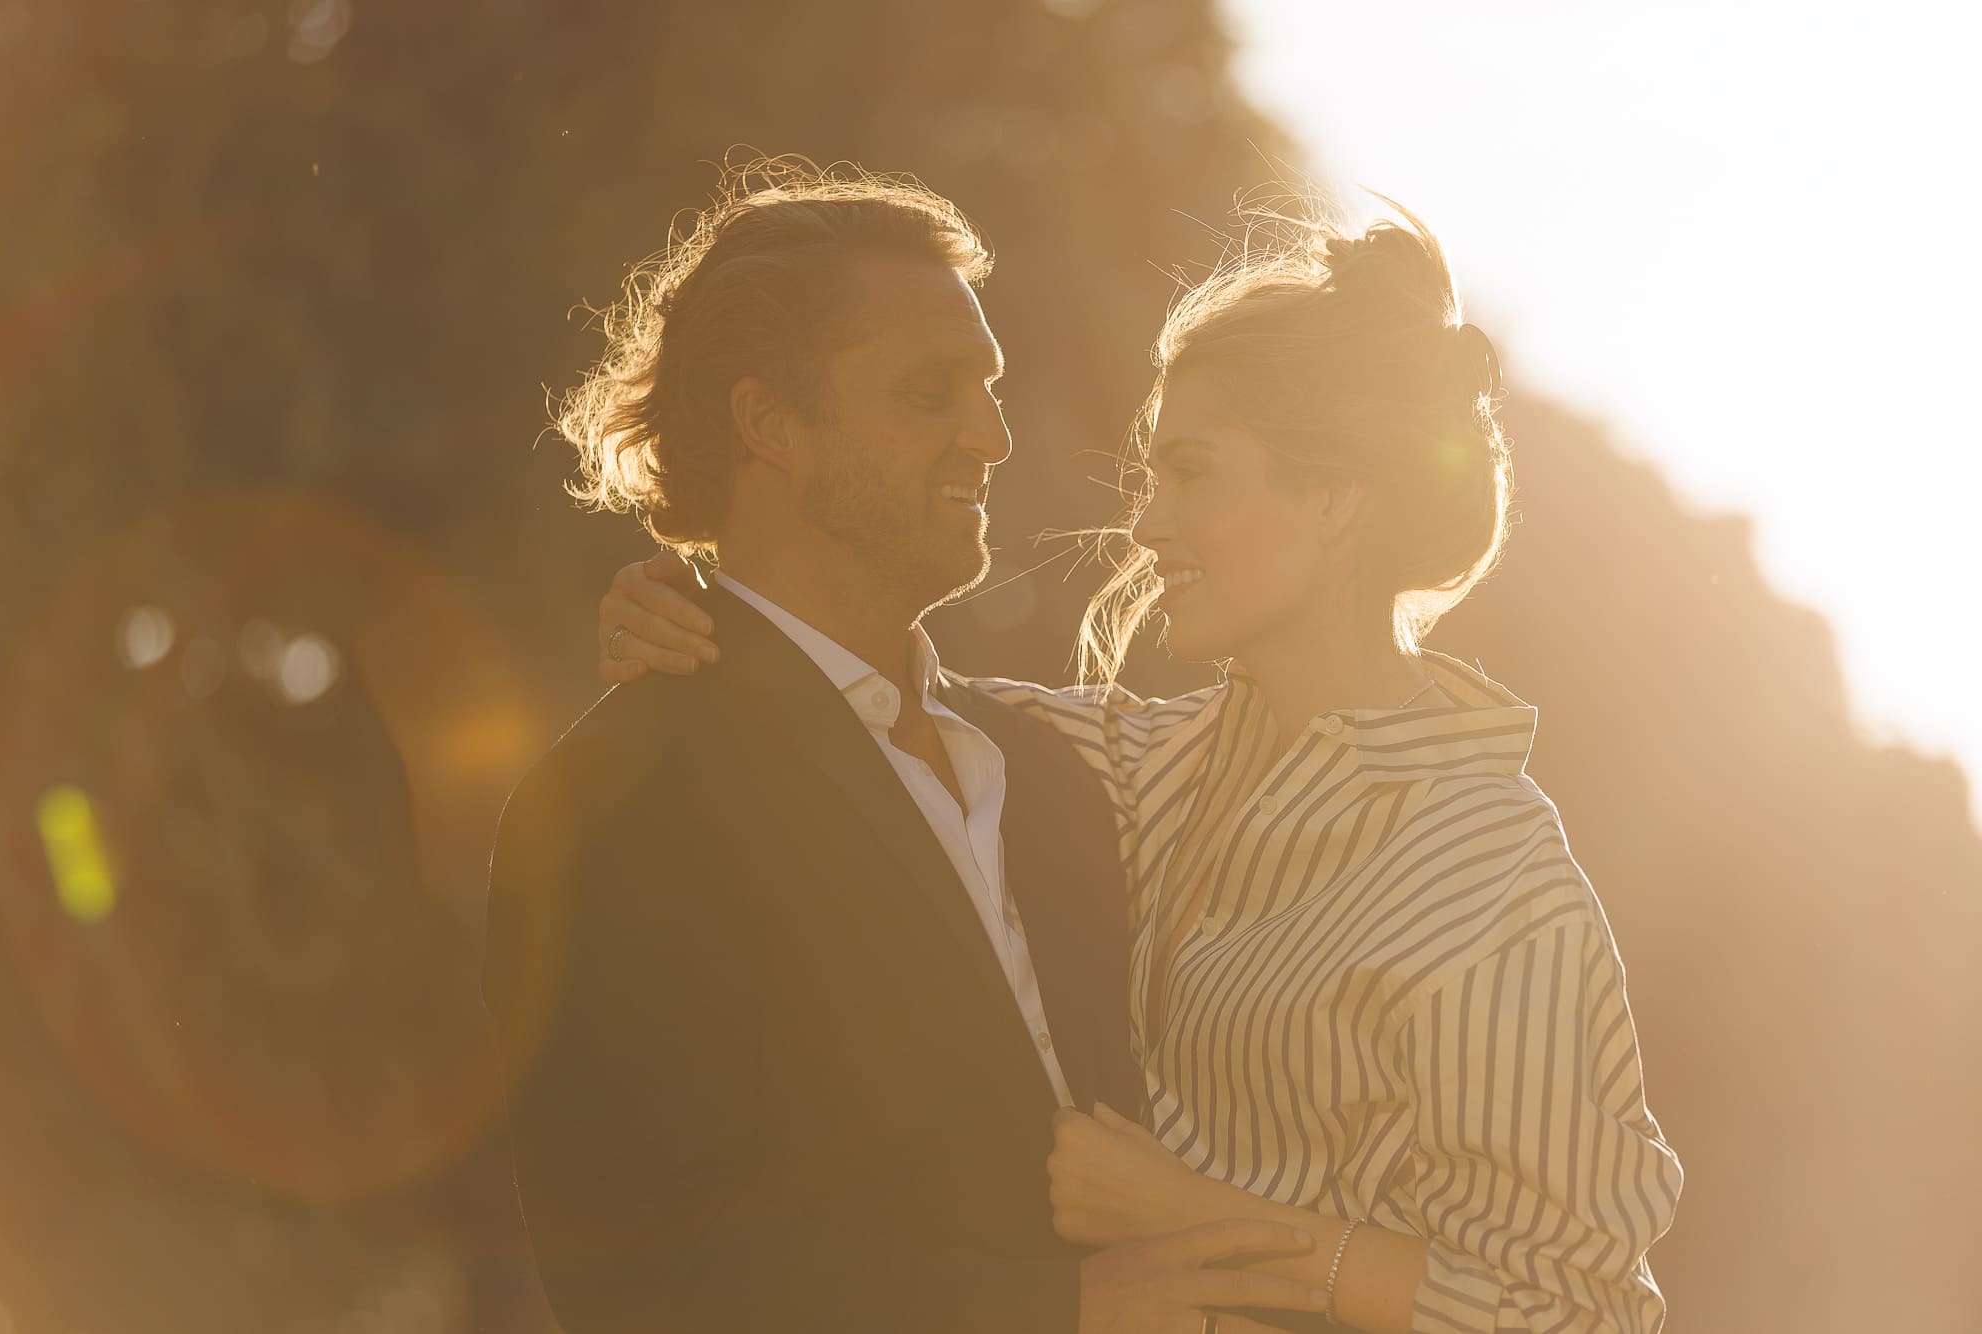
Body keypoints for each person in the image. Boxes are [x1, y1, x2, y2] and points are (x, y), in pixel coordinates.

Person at [600, 194, 1685, 1331]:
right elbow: (863, 698)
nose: (1146, 526)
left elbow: (1576, 1308)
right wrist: (691, 608)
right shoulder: (1127, 764)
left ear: (1332, 497)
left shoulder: (1488, 867)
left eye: (1191, 472)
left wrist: (1193, 1213)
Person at [485, 157, 1332, 1334]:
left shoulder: (1050, 764)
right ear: (768, 423)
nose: (991, 434)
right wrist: (1055, 1314)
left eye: (987, 390)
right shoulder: (612, 803)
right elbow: (650, 1287)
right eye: (932, 392)